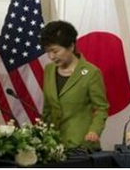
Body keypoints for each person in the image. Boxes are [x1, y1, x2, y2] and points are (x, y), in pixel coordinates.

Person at [39, 20, 109, 150]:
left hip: (81, 145)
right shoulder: (49, 70)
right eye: (47, 51)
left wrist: (94, 131)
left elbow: (101, 108)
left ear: (71, 46)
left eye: (55, 51)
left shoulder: (91, 73)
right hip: (53, 145)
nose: (51, 56)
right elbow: (47, 108)